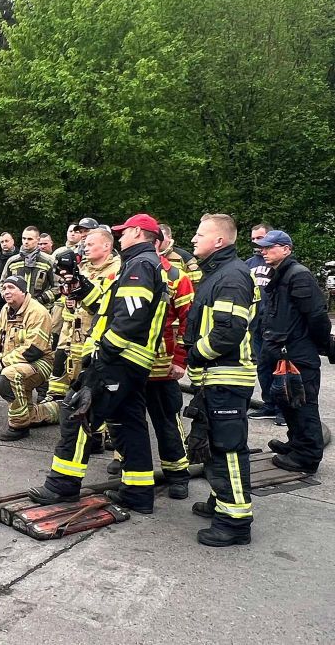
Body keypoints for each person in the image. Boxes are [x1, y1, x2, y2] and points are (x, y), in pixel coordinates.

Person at [29, 214, 168, 515]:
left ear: (136, 232)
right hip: (134, 362)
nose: (120, 237)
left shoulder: (139, 265)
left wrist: (104, 354)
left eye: (123, 232)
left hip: (118, 360)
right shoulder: (143, 264)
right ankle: (138, 492)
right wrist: (79, 285)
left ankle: (62, 484)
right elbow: (107, 306)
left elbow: (130, 318)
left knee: (78, 411)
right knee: (128, 424)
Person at [185, 213, 257, 547]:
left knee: (229, 449)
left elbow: (228, 332)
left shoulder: (231, 277)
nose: (193, 239)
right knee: (215, 445)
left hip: (227, 377)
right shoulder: (217, 274)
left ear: (219, 241)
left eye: (200, 234)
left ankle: (235, 522)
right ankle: (220, 502)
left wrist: (196, 354)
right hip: (215, 377)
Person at [107, 231, 195, 500]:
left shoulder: (177, 278)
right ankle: (127, 464)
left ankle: (177, 474)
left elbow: (188, 321)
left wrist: (181, 360)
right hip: (129, 365)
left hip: (162, 367)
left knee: (167, 420)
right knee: (127, 420)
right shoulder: (122, 272)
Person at [252, 230, 331, 474]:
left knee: (303, 403)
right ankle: (295, 444)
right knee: (288, 401)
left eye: (269, 247)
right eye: (262, 247)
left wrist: (324, 347)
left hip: (298, 353)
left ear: (286, 249)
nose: (262, 251)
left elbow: (317, 316)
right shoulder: (281, 274)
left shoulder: (299, 275)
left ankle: (306, 458)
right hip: (283, 351)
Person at [48, 229, 120, 402]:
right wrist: (69, 300)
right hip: (72, 329)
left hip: (93, 332)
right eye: (84, 244)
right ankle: (57, 398)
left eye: (90, 244)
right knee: (63, 363)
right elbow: (71, 296)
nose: (85, 248)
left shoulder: (117, 270)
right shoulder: (82, 268)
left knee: (88, 374)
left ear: (106, 246)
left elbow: (106, 305)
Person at [0, 276, 60, 440]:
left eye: (11, 288)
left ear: (23, 291)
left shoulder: (37, 311)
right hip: (17, 362)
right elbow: (1, 340)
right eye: (4, 288)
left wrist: (2, 364)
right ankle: (58, 410)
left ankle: (19, 427)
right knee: (8, 375)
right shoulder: (5, 310)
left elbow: (34, 350)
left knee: (9, 377)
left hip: (41, 362)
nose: (6, 291)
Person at [246, 223, 281, 421]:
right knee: (262, 366)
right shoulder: (248, 263)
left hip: (275, 325)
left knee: (280, 367)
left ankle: (284, 409)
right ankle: (268, 405)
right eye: (253, 239)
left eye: (260, 238)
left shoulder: (277, 264)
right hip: (256, 325)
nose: (256, 243)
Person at [2, 226, 56, 310]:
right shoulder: (12, 261)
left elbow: (58, 287)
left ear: (38, 240)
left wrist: (41, 300)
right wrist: (10, 298)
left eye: (30, 239)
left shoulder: (48, 261)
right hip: (16, 310)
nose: (26, 242)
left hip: (41, 310)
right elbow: (2, 283)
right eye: (24, 238)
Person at [158, 223, 203, 288]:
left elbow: (197, 283)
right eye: (155, 237)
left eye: (161, 236)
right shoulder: (147, 255)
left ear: (169, 237)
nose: (157, 240)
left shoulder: (184, 256)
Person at [0, 232, 18, 312]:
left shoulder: (20, 258)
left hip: (18, 299)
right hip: (1, 299)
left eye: (6, 241)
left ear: (13, 241)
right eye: (2, 242)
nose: (4, 244)